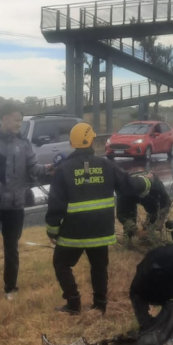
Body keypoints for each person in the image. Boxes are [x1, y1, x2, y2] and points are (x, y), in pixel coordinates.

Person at [0, 102, 52, 304]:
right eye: (16, 120)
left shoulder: (23, 143)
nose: (19, 124)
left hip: (15, 205)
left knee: (12, 247)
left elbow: (33, 167)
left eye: (21, 120)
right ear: (4, 118)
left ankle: (10, 289)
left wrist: (48, 168)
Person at [45, 122, 134, 315]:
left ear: (72, 143)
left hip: (73, 232)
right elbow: (128, 186)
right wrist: (147, 182)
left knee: (61, 264)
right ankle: (100, 305)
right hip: (101, 231)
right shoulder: (107, 165)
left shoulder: (64, 169)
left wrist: (52, 229)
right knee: (99, 267)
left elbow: (56, 204)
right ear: (91, 140)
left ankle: (73, 303)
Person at [129, 239, 173, 329]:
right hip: (150, 287)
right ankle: (151, 325)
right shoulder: (161, 258)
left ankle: (157, 323)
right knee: (146, 322)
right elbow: (142, 272)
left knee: (136, 294)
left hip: (161, 287)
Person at [116, 172, 171, 240]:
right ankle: (129, 238)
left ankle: (148, 232)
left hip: (148, 193)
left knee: (155, 210)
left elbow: (166, 202)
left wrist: (160, 219)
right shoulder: (124, 189)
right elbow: (123, 215)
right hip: (130, 194)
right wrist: (136, 231)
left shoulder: (156, 185)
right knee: (129, 216)